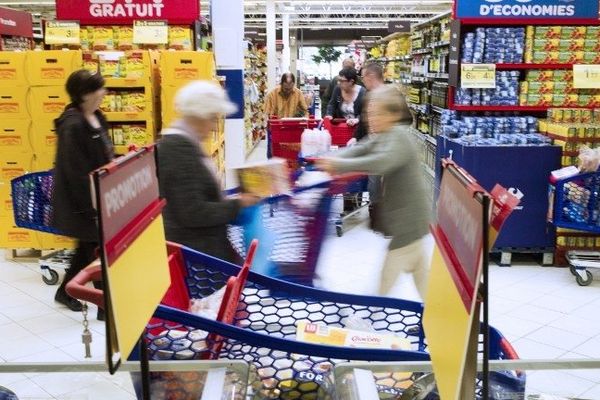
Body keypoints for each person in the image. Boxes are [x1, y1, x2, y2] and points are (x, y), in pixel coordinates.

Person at [316, 85, 432, 300]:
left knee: (385, 281)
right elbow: (360, 148)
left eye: (378, 113)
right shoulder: (384, 134)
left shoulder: (399, 136)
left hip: (408, 222)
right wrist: (331, 158)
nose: (372, 118)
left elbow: (381, 162)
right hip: (411, 222)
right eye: (370, 113)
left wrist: (338, 166)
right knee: (420, 274)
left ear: (394, 114)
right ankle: (435, 318)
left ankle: (368, 317)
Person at [157, 81, 260, 262]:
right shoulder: (177, 149)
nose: (214, 126)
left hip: (202, 251)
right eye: (212, 118)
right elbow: (192, 212)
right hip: (195, 257)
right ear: (198, 115)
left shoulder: (188, 143)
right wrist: (238, 205)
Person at [51, 70, 113, 316]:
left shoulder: (97, 116)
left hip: (99, 196)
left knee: (86, 249)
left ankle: (65, 292)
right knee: (96, 249)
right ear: (85, 94)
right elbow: (75, 173)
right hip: (81, 202)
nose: (104, 92)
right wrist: (90, 209)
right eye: (99, 88)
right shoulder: (72, 126)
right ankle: (105, 307)